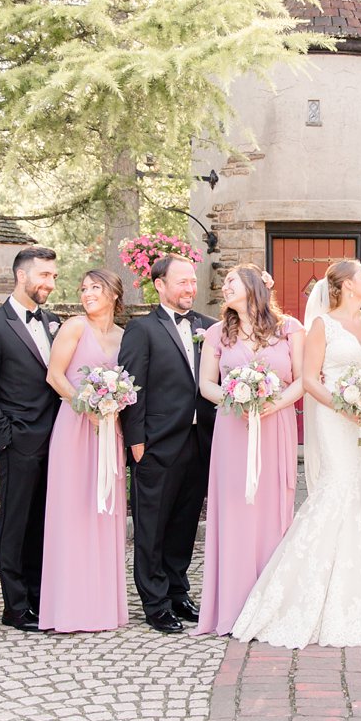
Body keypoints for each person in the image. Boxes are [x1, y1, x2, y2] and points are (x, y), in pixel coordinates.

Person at [231, 260, 361, 648]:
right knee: (339, 491)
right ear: (342, 286)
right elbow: (309, 379)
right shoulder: (322, 325)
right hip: (336, 415)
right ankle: (306, 596)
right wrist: (347, 408)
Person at [194, 264, 304, 636]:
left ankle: (271, 608)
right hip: (233, 427)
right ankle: (233, 606)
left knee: (273, 509)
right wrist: (233, 396)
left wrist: (277, 402)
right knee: (236, 511)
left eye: (231, 282)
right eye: (224, 283)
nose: (224, 287)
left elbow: (304, 378)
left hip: (276, 425)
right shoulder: (215, 333)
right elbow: (206, 384)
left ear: (252, 287)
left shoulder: (290, 329)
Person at [119, 254, 216, 634]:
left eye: (193, 282)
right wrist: (136, 440)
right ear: (160, 285)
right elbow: (132, 387)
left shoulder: (208, 327)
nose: (190, 289)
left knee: (184, 523)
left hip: (199, 441)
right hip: (157, 443)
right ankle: (155, 603)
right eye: (182, 282)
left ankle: (178, 592)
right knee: (151, 527)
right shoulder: (141, 330)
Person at [0, 246, 61, 633]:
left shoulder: (55, 322)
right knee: (15, 525)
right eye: (43, 276)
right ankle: (16, 605)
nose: (50, 283)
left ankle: (41, 597)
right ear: (21, 276)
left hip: (56, 442)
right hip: (18, 443)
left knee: (43, 523)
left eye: (53, 276)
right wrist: (5, 441)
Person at [37, 269, 130, 632]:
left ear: (114, 293)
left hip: (110, 429)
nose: (87, 293)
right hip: (75, 425)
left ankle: (101, 606)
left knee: (105, 510)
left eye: (96, 287)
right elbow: (54, 375)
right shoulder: (74, 326)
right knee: (72, 511)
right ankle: (68, 608)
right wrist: (86, 406)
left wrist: (110, 407)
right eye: (84, 288)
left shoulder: (125, 335)